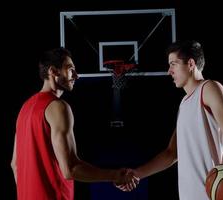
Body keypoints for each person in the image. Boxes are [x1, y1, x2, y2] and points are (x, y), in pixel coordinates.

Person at [116, 40, 223, 200]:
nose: (169, 71)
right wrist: (137, 173)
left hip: (215, 195)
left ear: (190, 63)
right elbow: (171, 153)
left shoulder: (209, 88)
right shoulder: (184, 104)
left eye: (173, 64)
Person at [10, 47, 139, 200]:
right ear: (53, 71)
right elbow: (70, 169)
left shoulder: (25, 108)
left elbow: (15, 165)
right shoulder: (58, 107)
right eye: (71, 70)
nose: (76, 76)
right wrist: (115, 175)